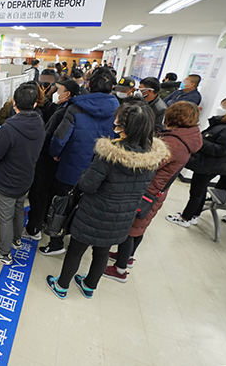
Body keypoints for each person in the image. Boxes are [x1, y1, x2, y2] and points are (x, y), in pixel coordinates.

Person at [47, 100, 170, 299]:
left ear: (127, 128)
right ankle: (89, 286)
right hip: (123, 217)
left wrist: (85, 173)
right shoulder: (153, 157)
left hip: (93, 213)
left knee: (76, 250)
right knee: (102, 252)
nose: (116, 128)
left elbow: (88, 185)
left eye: (118, 125)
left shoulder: (109, 155)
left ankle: (61, 286)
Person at [104, 102, 202, 282]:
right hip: (158, 191)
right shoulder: (186, 138)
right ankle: (128, 257)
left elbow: (149, 163)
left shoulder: (173, 142)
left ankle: (120, 270)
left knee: (130, 229)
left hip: (147, 191)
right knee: (140, 227)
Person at [40, 67, 119, 255]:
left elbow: (60, 138)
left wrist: (55, 153)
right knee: (87, 206)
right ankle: (77, 244)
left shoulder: (75, 108)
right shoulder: (120, 110)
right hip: (102, 170)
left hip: (70, 167)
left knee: (61, 203)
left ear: (89, 85)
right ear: (112, 87)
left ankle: (56, 242)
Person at [0, 84, 45, 264]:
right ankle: (16, 240)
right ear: (35, 104)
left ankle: (4, 253)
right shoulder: (40, 123)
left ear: (14, 103)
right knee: (18, 210)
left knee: (5, 218)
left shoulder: (9, 129)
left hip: (7, 181)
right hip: (26, 178)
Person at [167, 96, 226, 227]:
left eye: (225, 107)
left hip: (210, 165)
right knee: (200, 191)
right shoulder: (223, 125)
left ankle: (185, 218)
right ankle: (194, 215)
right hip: (208, 163)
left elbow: (223, 150)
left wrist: (200, 141)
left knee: (197, 192)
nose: (221, 109)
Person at [25, 80, 81, 240]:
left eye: (60, 89)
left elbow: (51, 138)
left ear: (67, 94)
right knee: (47, 194)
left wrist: (48, 152)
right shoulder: (72, 110)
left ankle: (34, 228)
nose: (56, 92)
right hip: (59, 164)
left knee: (39, 194)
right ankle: (41, 222)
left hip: (47, 161)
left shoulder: (63, 113)